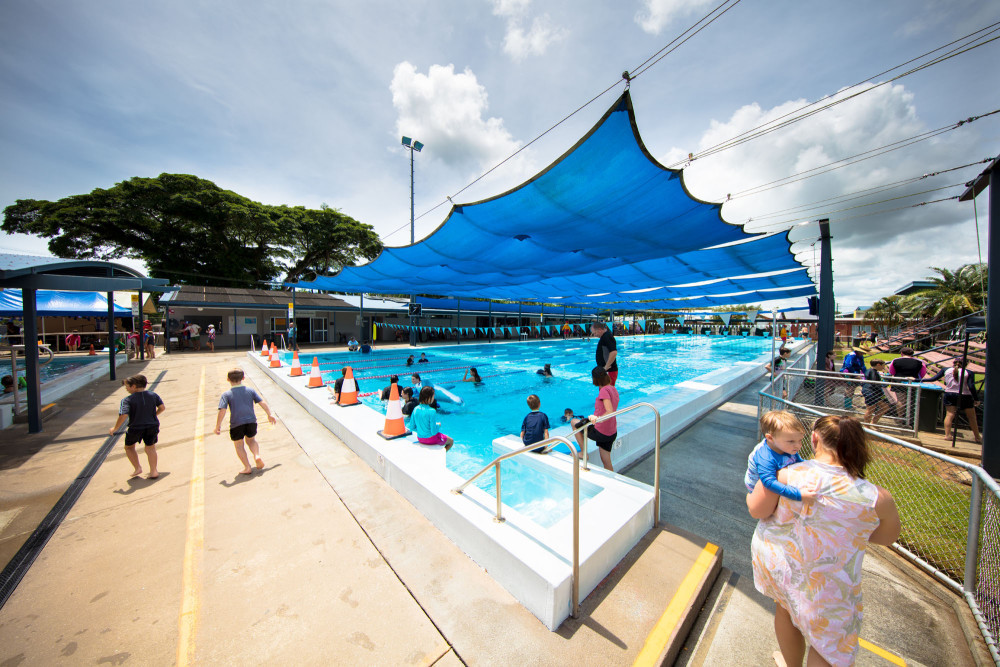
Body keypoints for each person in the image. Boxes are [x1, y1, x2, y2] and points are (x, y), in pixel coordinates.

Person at [747, 415, 901, 667]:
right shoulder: (876, 498)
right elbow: (887, 536)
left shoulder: (785, 474)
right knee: (830, 644)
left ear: (815, 438)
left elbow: (757, 510)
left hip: (780, 565)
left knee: (785, 608)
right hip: (828, 582)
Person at [744, 410, 817, 503]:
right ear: (770, 438)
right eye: (791, 441)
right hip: (760, 490)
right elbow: (769, 482)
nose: (798, 446)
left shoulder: (786, 447)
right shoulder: (765, 456)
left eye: (800, 440)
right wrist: (799, 494)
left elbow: (799, 462)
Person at [214, 368, 277, 475]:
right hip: (251, 422)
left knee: (239, 445)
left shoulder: (226, 395)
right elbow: (262, 402)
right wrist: (269, 414)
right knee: (251, 440)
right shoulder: (250, 390)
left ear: (228, 379)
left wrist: (218, 426)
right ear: (243, 378)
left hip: (236, 424)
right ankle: (257, 455)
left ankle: (247, 467)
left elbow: (222, 411)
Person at [109, 374, 164, 479]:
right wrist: (153, 415)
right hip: (152, 425)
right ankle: (154, 471)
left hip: (135, 427)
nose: (126, 389)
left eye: (127, 386)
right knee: (150, 448)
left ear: (133, 386)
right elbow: (162, 408)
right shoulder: (153, 395)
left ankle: (137, 467)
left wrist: (115, 428)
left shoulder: (127, 400)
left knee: (129, 447)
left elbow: (124, 415)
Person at [571, 366, 620, 471]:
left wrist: (596, 419)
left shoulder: (604, 391)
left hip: (601, 431)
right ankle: (612, 483)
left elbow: (609, 411)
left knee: (574, 422)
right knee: (607, 462)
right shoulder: (613, 388)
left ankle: (584, 453)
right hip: (611, 431)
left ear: (596, 379)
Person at [922, 357, 981, 443]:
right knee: (972, 417)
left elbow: (933, 379)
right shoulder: (969, 372)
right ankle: (977, 437)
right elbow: (971, 386)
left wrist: (919, 379)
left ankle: (948, 435)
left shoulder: (946, 370)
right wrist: (976, 399)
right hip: (965, 395)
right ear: (966, 364)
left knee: (949, 415)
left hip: (949, 394)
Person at [407, 386, 454, 450]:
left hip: (420, 438)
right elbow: (433, 432)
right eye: (433, 396)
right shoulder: (432, 411)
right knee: (451, 441)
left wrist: (422, 431)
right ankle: (441, 456)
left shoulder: (416, 409)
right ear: (429, 397)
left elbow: (412, 427)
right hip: (431, 439)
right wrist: (438, 425)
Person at [862, 359, 896, 425]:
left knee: (885, 407)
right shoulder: (872, 372)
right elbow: (874, 382)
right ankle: (866, 425)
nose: (883, 367)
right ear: (878, 365)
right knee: (870, 410)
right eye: (883, 365)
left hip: (874, 392)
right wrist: (883, 384)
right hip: (871, 392)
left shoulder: (873, 371)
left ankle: (873, 422)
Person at [591, 321, 619, 385]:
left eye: (594, 333)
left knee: (606, 392)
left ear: (600, 330)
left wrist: (606, 367)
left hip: (609, 371)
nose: (595, 335)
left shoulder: (607, 336)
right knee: (605, 391)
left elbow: (614, 352)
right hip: (605, 371)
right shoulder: (605, 336)